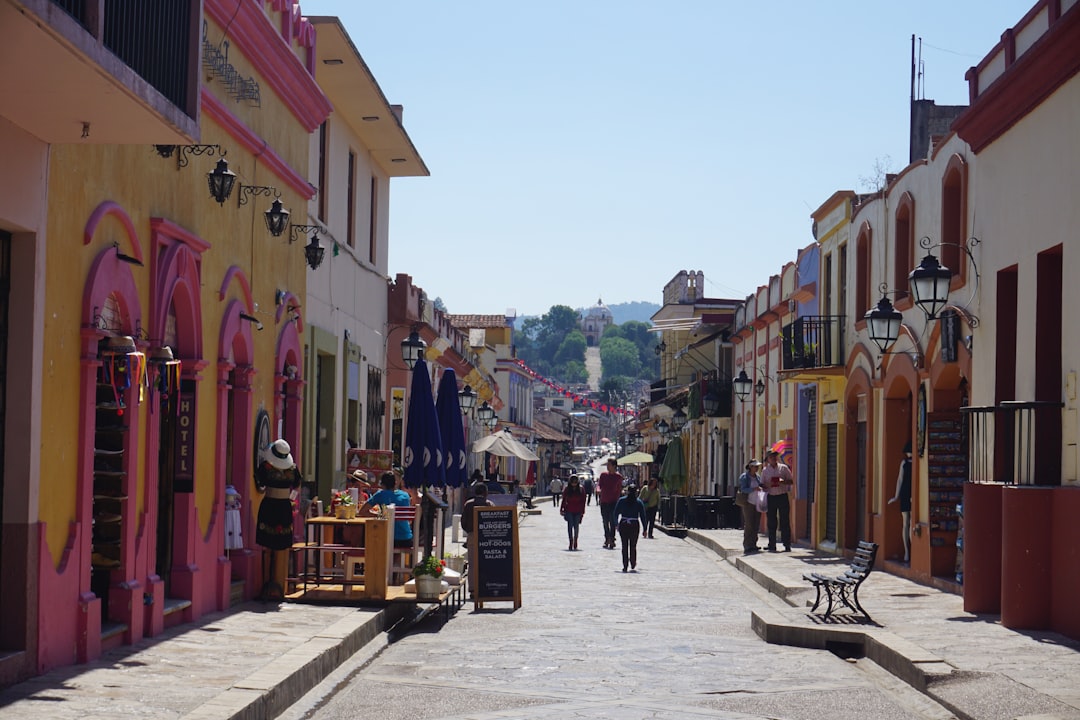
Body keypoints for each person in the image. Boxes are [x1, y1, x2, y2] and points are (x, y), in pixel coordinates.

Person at [362, 472, 413, 547]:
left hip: (388, 537)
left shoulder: (380, 495)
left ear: (382, 484)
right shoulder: (405, 496)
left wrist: (381, 515)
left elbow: (362, 511)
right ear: (395, 483)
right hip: (406, 538)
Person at [761, 450, 794, 552]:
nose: (773, 459)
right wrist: (768, 485)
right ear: (768, 459)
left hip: (782, 496)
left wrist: (783, 482)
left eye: (775, 456)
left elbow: (791, 481)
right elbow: (762, 485)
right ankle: (772, 544)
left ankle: (787, 544)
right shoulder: (765, 471)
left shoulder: (783, 468)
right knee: (771, 522)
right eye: (771, 457)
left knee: (785, 521)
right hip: (771, 497)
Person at [888, 442, 914, 563]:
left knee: (909, 524)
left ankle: (912, 550)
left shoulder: (916, 463)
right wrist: (896, 496)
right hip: (905, 494)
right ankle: (907, 551)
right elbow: (900, 479)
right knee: (906, 523)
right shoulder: (904, 463)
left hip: (912, 495)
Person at [612, 485, 648, 572]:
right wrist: (645, 529)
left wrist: (616, 524)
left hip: (624, 524)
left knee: (624, 546)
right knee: (633, 545)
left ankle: (625, 565)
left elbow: (615, 513)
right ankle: (633, 561)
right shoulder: (639, 502)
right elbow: (643, 516)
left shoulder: (621, 501)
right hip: (634, 525)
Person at [735, 459, 764, 555]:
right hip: (748, 503)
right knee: (749, 524)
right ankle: (747, 544)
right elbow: (743, 489)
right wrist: (753, 489)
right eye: (755, 466)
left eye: (757, 466)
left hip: (757, 503)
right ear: (750, 467)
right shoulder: (744, 477)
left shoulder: (758, 477)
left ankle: (753, 544)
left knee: (756, 525)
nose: (757, 468)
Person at [597, 458, 625, 549]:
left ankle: (612, 539)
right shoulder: (603, 475)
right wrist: (598, 490)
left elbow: (620, 489)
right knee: (605, 521)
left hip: (614, 502)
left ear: (614, 466)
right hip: (604, 502)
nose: (607, 467)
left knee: (613, 522)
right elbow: (599, 485)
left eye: (609, 465)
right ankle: (607, 538)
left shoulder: (618, 477)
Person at [560, 475, 587, 550]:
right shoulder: (567, 489)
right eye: (572, 482)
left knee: (576, 526)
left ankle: (575, 540)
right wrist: (561, 509)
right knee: (570, 526)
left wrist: (583, 511)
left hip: (578, 511)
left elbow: (583, 501)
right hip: (569, 510)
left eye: (575, 482)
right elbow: (564, 499)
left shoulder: (581, 489)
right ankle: (570, 541)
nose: (574, 484)